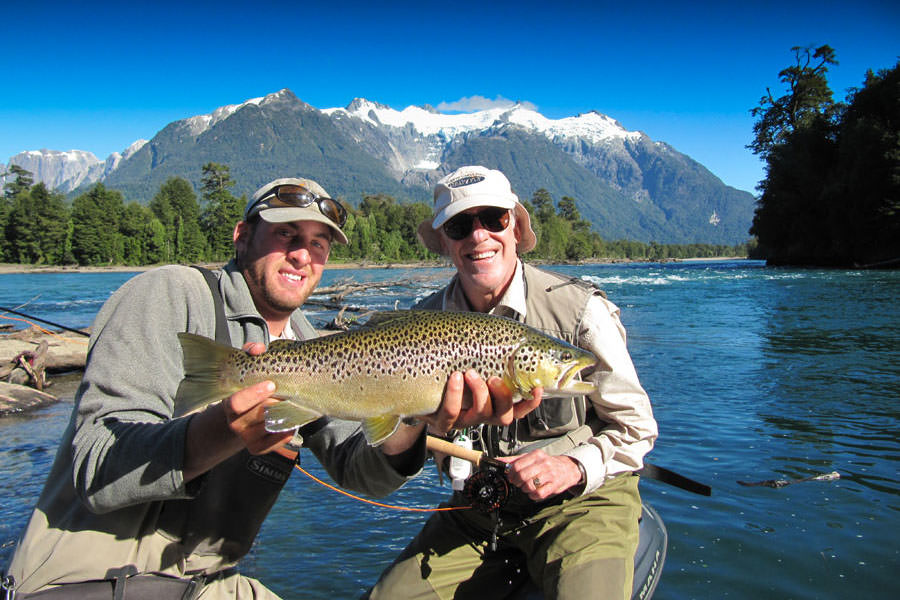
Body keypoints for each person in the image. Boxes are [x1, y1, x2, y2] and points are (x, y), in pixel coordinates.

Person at [4, 176, 539, 599]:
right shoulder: (169, 294)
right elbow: (96, 469)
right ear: (241, 237)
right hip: (83, 581)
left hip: (211, 585)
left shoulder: (310, 347)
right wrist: (220, 430)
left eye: (319, 242)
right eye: (286, 235)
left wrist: (418, 419)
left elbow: (360, 472)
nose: (304, 255)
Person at [364, 166, 659, 600]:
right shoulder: (418, 323)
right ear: (445, 242)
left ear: (516, 229)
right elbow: (396, 438)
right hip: (477, 510)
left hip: (584, 504)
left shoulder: (580, 313)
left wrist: (573, 465)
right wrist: (423, 426)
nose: (478, 236)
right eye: (461, 225)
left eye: (494, 220)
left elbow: (636, 428)